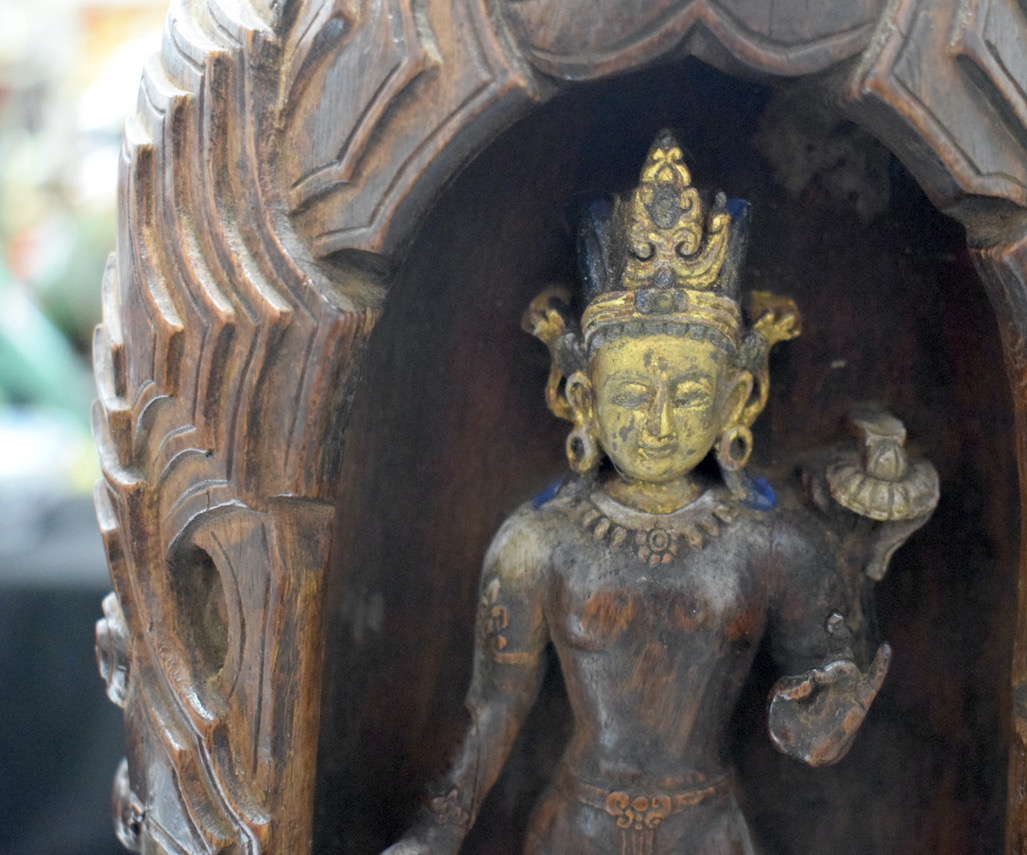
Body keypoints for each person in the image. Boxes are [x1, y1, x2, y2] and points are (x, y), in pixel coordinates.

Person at [383, 133, 921, 855]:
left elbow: (813, 706)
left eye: (689, 394)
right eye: (633, 394)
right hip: (577, 830)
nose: (659, 423)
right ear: (585, 398)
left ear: (736, 398)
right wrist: (435, 833)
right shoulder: (538, 542)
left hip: (708, 829)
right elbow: (496, 707)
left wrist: (822, 717)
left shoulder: (770, 541)